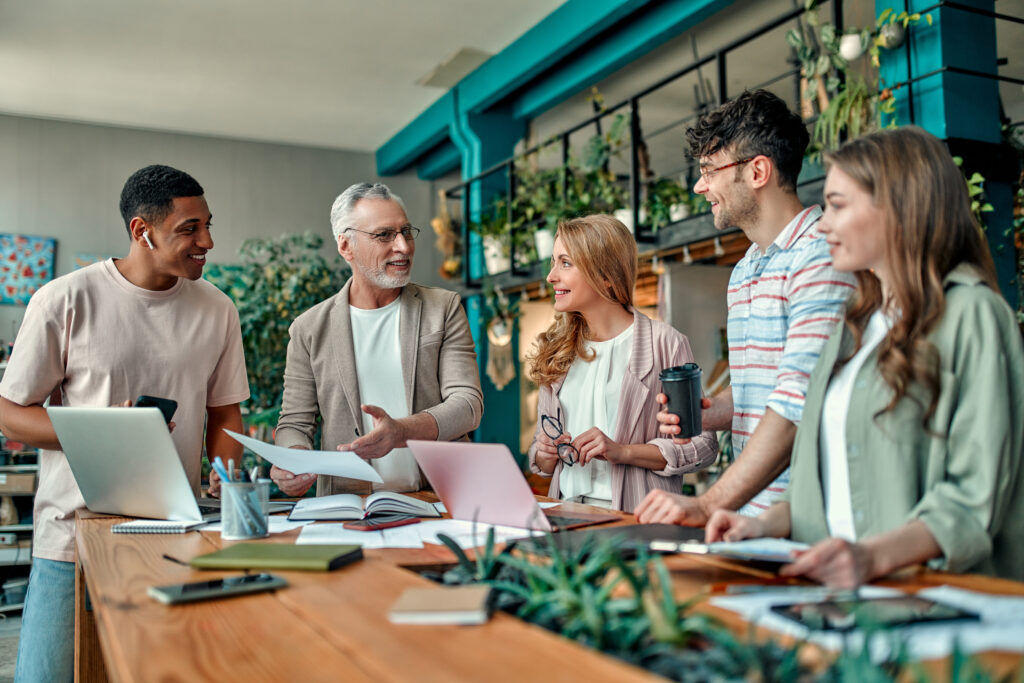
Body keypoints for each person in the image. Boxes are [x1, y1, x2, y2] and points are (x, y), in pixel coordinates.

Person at [705, 126, 1024, 586]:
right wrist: (760, 525)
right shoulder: (856, 326)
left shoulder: (973, 314)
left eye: (837, 205)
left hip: (937, 604)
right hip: (850, 597)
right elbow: (832, 479)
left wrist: (871, 557)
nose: (825, 223)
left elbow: (977, 494)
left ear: (898, 207)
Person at [0, 165, 250, 683]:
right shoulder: (65, 298)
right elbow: (9, 414)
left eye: (208, 225)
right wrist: (100, 429)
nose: (207, 241)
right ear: (142, 230)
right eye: (189, 229)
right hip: (72, 537)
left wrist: (225, 478)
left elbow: (224, 412)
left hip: (176, 534)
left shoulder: (218, 309)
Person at [635, 90, 855, 525]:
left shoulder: (820, 256)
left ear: (758, 171)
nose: (700, 187)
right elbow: (768, 385)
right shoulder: (744, 271)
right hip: (751, 518)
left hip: (811, 518)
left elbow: (798, 403)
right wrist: (716, 410)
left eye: (709, 172)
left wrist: (707, 503)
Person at [271, 182, 483, 496]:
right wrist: (292, 457)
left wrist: (402, 432)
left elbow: (468, 405)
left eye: (406, 232)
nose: (404, 246)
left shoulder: (444, 307)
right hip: (349, 503)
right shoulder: (308, 328)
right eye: (384, 235)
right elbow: (295, 421)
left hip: (441, 496)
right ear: (346, 246)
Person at [526, 214, 718, 512]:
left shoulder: (664, 343)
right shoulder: (557, 350)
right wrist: (545, 453)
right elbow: (541, 460)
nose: (551, 276)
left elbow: (703, 446)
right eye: (553, 262)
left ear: (605, 275)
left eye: (565, 263)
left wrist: (622, 451)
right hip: (563, 515)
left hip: (633, 520)